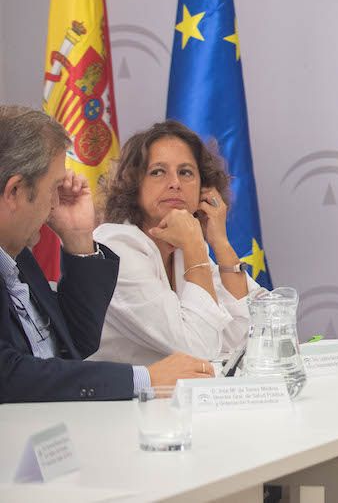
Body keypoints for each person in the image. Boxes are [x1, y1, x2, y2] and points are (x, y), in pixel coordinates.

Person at [0, 105, 213, 403]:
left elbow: (77, 343)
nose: (54, 206)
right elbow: (9, 375)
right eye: (53, 189)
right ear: (14, 192)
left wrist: (78, 238)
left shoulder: (19, 257)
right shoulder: (123, 241)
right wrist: (145, 379)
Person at [89, 120, 260, 365]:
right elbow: (199, 350)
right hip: (112, 402)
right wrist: (195, 247)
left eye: (186, 172)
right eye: (158, 171)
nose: (175, 183)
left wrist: (220, 241)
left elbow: (247, 338)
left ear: (204, 188)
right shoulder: (115, 248)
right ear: (134, 184)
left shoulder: (181, 251)